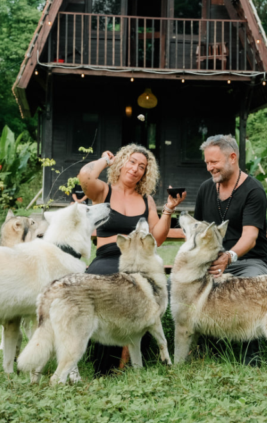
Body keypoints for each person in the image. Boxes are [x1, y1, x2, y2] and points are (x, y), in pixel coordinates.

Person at [77, 144, 185, 372]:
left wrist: (169, 210)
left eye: (142, 167)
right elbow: (85, 176)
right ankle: (105, 365)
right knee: (106, 282)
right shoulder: (103, 191)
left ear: (146, 173)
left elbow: (157, 238)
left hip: (139, 261)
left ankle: (136, 361)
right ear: (122, 162)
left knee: (148, 289)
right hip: (108, 258)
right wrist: (104, 160)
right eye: (132, 162)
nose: (136, 169)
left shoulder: (147, 200)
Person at [170, 134, 267, 277]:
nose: (209, 168)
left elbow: (250, 237)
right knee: (172, 286)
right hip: (210, 262)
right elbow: (196, 230)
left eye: (214, 162)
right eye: (207, 163)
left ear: (233, 158)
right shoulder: (205, 188)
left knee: (246, 289)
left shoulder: (253, 190)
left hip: (248, 262)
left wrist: (228, 257)